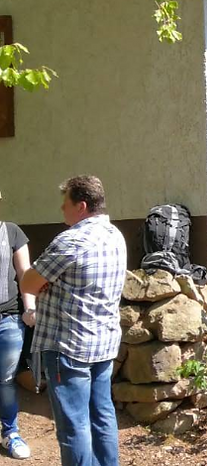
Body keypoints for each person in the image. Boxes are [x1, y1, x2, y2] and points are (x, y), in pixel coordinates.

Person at [21, 176, 127, 466]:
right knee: (102, 415)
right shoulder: (115, 234)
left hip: (69, 348)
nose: (61, 207)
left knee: (74, 426)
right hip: (103, 343)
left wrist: (46, 284)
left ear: (80, 206)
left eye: (65, 202)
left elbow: (29, 283)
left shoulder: (73, 240)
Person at [0, 193, 35, 459]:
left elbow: (25, 274)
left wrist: (30, 307)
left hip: (8, 319)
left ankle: (9, 433)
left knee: (6, 381)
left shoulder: (12, 232)